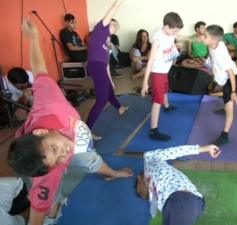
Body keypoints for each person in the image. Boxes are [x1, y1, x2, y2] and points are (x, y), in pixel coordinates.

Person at [7, 19, 134, 225]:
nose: (63, 152)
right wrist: (45, 210)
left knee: (91, 160)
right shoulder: (46, 168)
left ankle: (112, 173)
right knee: (51, 197)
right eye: (56, 158)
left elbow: (38, 67)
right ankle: (54, 214)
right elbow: (36, 215)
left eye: (55, 148)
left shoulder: (47, 102)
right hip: (50, 168)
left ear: (41, 133)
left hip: (75, 140)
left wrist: (33, 38)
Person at [136, 144, 220, 225]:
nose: (142, 191)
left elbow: (177, 151)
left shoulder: (150, 157)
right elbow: (154, 204)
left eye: (140, 190)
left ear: (139, 178)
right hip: (189, 203)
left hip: (182, 201)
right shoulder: (153, 191)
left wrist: (205, 148)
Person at [86, 0, 129, 139]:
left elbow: (106, 65)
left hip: (100, 67)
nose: (116, 28)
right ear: (108, 22)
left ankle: (119, 107)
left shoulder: (106, 43)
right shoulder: (100, 29)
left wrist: (110, 80)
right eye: (115, 25)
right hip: (95, 65)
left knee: (109, 90)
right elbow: (114, 8)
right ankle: (87, 131)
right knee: (102, 99)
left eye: (118, 27)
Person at [141, 12, 183, 141]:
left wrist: (176, 46)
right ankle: (154, 130)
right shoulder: (157, 40)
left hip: (165, 70)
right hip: (157, 72)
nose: (175, 33)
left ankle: (167, 106)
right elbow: (150, 62)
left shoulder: (170, 33)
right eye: (174, 30)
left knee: (165, 89)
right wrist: (145, 84)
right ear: (166, 27)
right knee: (157, 101)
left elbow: (171, 43)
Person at [203, 25, 237, 146]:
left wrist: (233, 91)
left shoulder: (220, 54)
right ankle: (226, 105)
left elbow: (231, 73)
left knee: (229, 106)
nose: (203, 38)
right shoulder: (212, 44)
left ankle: (225, 135)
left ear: (213, 39)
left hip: (231, 78)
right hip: (224, 79)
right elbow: (211, 56)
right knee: (225, 95)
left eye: (205, 36)